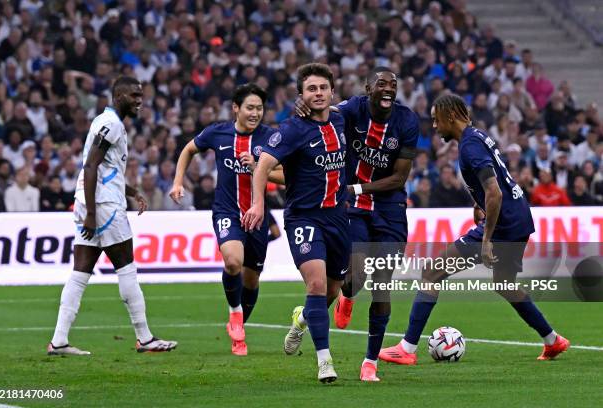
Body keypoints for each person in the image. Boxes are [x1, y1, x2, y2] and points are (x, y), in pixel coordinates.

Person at [379, 94, 569, 365]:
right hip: (518, 219)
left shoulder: (469, 146)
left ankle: (407, 348)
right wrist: (478, 204)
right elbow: (495, 184)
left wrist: (487, 237)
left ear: (450, 117)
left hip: (503, 224)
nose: (434, 126)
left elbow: (495, 192)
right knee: (505, 284)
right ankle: (553, 340)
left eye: (436, 120)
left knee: (432, 271)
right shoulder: (478, 136)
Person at [295, 67, 419, 381]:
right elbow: (325, 111)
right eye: (381, 83)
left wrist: (358, 187)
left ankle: (370, 363)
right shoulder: (353, 109)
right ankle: (347, 297)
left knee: (383, 284)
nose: (388, 88)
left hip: (389, 208)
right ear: (368, 88)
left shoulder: (406, 121)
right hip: (354, 209)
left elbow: (399, 178)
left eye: (394, 83)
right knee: (357, 274)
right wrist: (305, 107)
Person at [47, 76, 177, 356]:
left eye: (141, 96)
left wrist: (131, 191)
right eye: (134, 96)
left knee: (80, 271)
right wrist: (93, 214)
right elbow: (91, 166)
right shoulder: (111, 125)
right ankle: (145, 338)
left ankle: (59, 340)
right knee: (126, 267)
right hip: (102, 206)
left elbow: (104, 168)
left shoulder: (104, 122)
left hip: (92, 200)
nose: (139, 101)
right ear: (118, 96)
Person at [243, 63, 347, 383]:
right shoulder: (291, 129)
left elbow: (368, 102)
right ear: (301, 94)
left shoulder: (343, 119)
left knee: (331, 290)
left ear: (332, 91)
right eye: (311, 89)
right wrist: (258, 203)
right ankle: (325, 362)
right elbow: (263, 166)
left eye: (322, 88)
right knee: (315, 284)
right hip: (304, 217)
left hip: (338, 218)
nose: (317, 94)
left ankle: (302, 318)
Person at [169, 83, 282, 356]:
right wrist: (177, 181)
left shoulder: (272, 138)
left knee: (252, 280)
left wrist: (258, 168)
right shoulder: (218, 132)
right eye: (250, 108)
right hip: (227, 211)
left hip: (257, 215)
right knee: (233, 262)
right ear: (236, 108)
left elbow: (287, 176)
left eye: (259, 108)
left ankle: (239, 330)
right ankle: (234, 313)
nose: (255, 113)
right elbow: (188, 150)